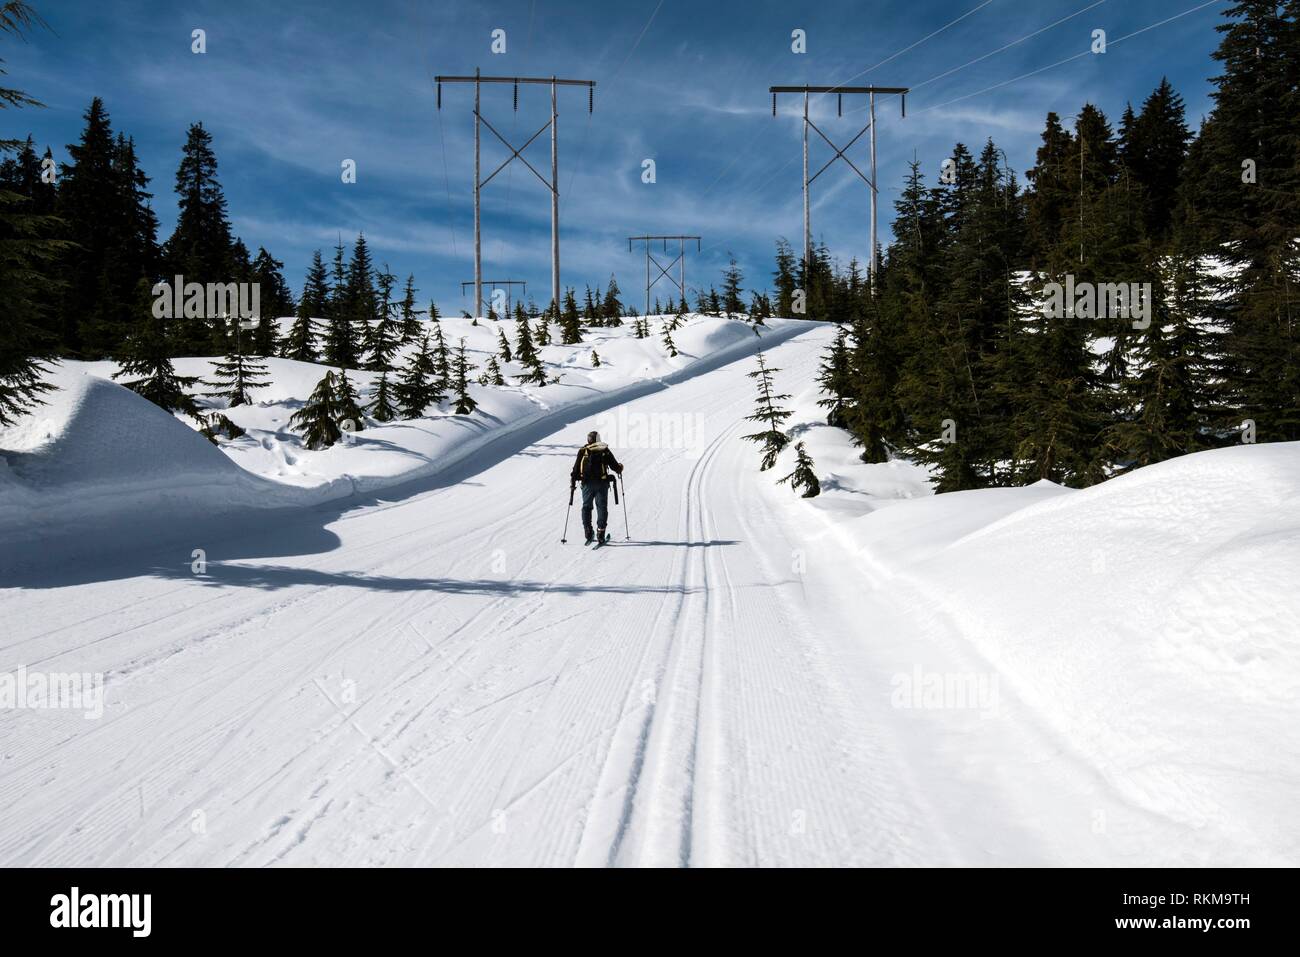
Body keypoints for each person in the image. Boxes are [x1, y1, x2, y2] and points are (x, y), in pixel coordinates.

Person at [570, 430, 623, 545]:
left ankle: (588, 532)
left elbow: (575, 470)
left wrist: (573, 482)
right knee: (601, 507)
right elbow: (615, 466)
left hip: (586, 484)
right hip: (602, 484)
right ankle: (600, 533)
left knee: (586, 507)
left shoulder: (583, 451)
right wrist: (620, 468)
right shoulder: (604, 450)